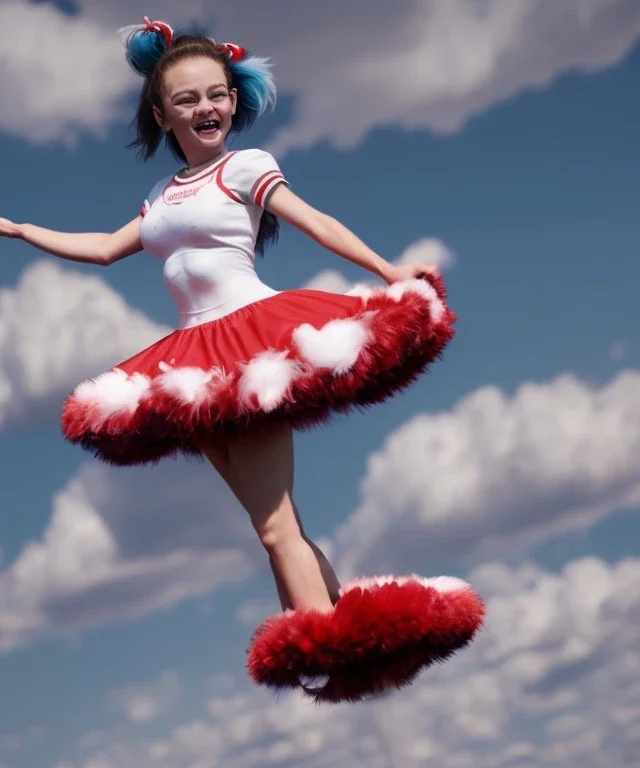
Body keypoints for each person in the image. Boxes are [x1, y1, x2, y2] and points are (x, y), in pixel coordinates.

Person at [0, 18, 484, 703]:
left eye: (217, 94)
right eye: (189, 100)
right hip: (193, 367)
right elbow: (106, 247)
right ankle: (361, 634)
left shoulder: (246, 168)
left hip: (252, 350)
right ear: (162, 114)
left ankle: (331, 649)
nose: (206, 108)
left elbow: (315, 220)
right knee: (278, 519)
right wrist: (18, 230)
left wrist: (383, 267)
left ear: (235, 98)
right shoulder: (162, 196)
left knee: (271, 526)